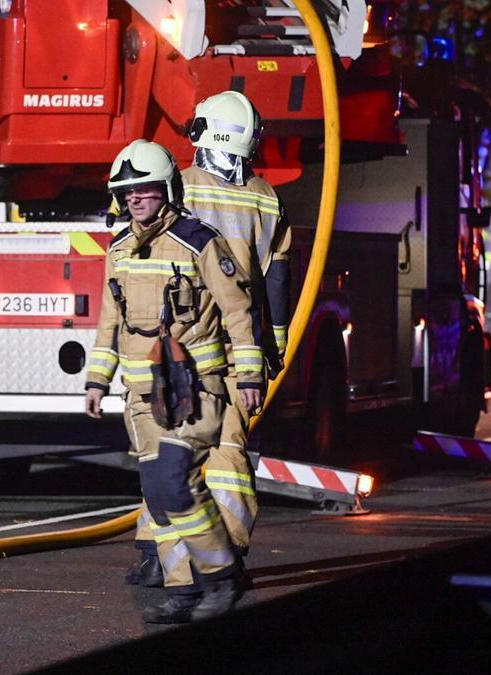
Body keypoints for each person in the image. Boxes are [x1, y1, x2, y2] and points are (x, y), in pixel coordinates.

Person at [84, 139, 264, 624]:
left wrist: (247, 375)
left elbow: (237, 310)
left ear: (167, 190)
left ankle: (220, 577)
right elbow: (109, 321)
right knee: (159, 496)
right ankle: (183, 590)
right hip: (142, 398)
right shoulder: (119, 250)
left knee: (174, 482)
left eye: (145, 189)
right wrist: (97, 380)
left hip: (196, 390)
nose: (136, 199)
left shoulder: (200, 241)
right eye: (128, 192)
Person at [128, 91, 292, 587]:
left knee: (169, 446)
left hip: (173, 344)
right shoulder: (266, 197)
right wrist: (273, 346)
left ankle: (154, 555)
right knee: (226, 453)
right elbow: (276, 279)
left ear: (204, 134)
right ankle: (222, 558)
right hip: (232, 346)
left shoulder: (175, 187)